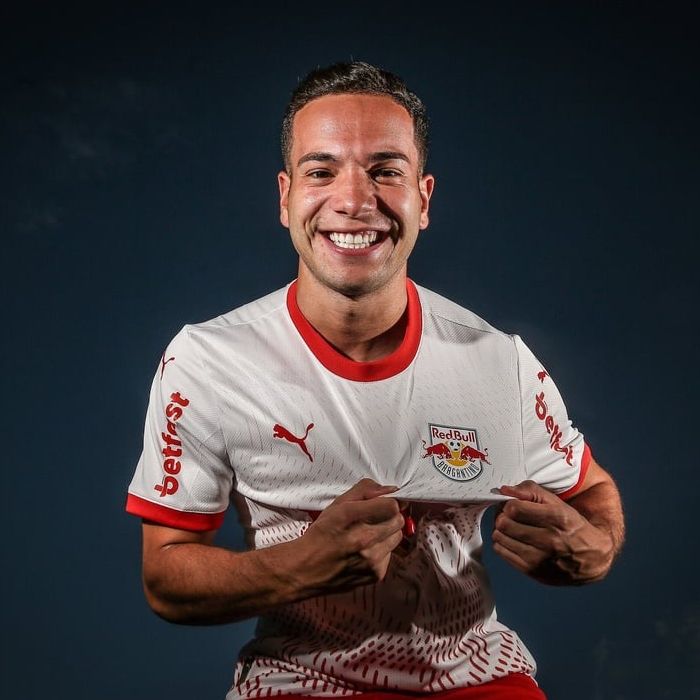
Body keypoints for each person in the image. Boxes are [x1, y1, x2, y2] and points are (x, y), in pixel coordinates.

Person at [126, 61, 624, 700]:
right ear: (285, 197)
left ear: (424, 198)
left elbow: (593, 490)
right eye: (321, 171)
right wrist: (299, 567)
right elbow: (165, 578)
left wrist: (595, 547)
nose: (355, 201)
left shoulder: (500, 361)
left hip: (482, 678)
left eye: (386, 170)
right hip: (298, 683)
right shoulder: (207, 361)